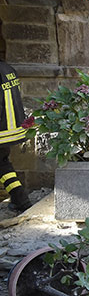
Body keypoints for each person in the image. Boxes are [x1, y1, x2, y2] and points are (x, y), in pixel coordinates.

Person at [0, 60, 32, 212]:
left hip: (2, 130)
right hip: (11, 129)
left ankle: (20, 198)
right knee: (2, 164)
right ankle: (20, 199)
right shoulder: (8, 69)